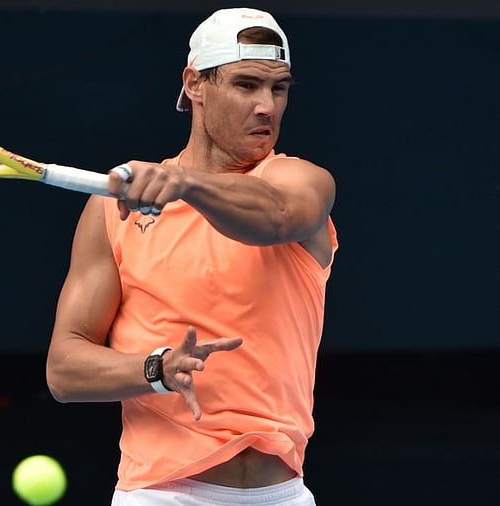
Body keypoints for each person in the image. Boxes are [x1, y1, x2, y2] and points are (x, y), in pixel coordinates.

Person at [45, 7, 337, 505]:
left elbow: (276, 216)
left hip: (281, 495)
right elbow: (64, 370)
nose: (266, 106)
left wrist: (184, 183)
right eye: (246, 85)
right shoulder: (111, 211)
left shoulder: (302, 181)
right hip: (159, 496)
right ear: (195, 84)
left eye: (279, 88)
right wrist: (156, 370)